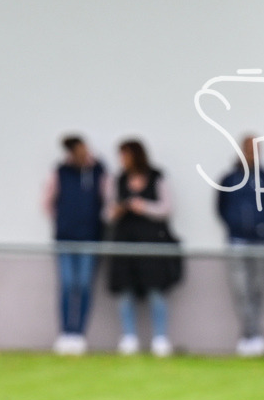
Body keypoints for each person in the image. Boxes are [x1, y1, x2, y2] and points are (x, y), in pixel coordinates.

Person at [107, 139, 183, 357]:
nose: (122, 160)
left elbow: (167, 208)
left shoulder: (157, 177)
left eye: (126, 155)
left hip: (151, 241)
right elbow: (107, 211)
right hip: (125, 240)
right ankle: (129, 338)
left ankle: (160, 338)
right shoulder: (118, 180)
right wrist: (119, 210)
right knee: (125, 289)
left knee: (155, 289)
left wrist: (144, 207)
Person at [216, 135, 264, 357]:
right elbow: (221, 206)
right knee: (241, 291)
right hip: (237, 240)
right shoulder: (230, 178)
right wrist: (234, 225)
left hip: (262, 241)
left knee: (258, 289)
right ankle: (250, 335)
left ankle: (253, 336)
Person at [43, 135, 108, 356]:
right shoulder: (61, 171)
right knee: (68, 283)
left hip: (90, 236)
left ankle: (79, 333)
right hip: (65, 237)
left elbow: (107, 199)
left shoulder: (97, 170)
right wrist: (63, 220)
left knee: (84, 284)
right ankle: (66, 332)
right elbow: (48, 202)